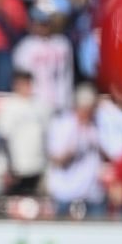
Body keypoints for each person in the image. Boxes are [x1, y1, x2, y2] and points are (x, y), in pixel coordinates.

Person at [46, 83, 105, 218]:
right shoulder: (62, 124)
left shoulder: (96, 124)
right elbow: (57, 159)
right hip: (66, 195)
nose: (88, 113)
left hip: (92, 196)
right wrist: (73, 146)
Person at [0, 70, 51, 195]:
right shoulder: (9, 107)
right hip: (17, 168)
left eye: (28, 83)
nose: (27, 87)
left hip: (37, 166)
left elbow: (48, 137)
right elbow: (1, 138)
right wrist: (7, 167)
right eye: (23, 84)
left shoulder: (40, 106)